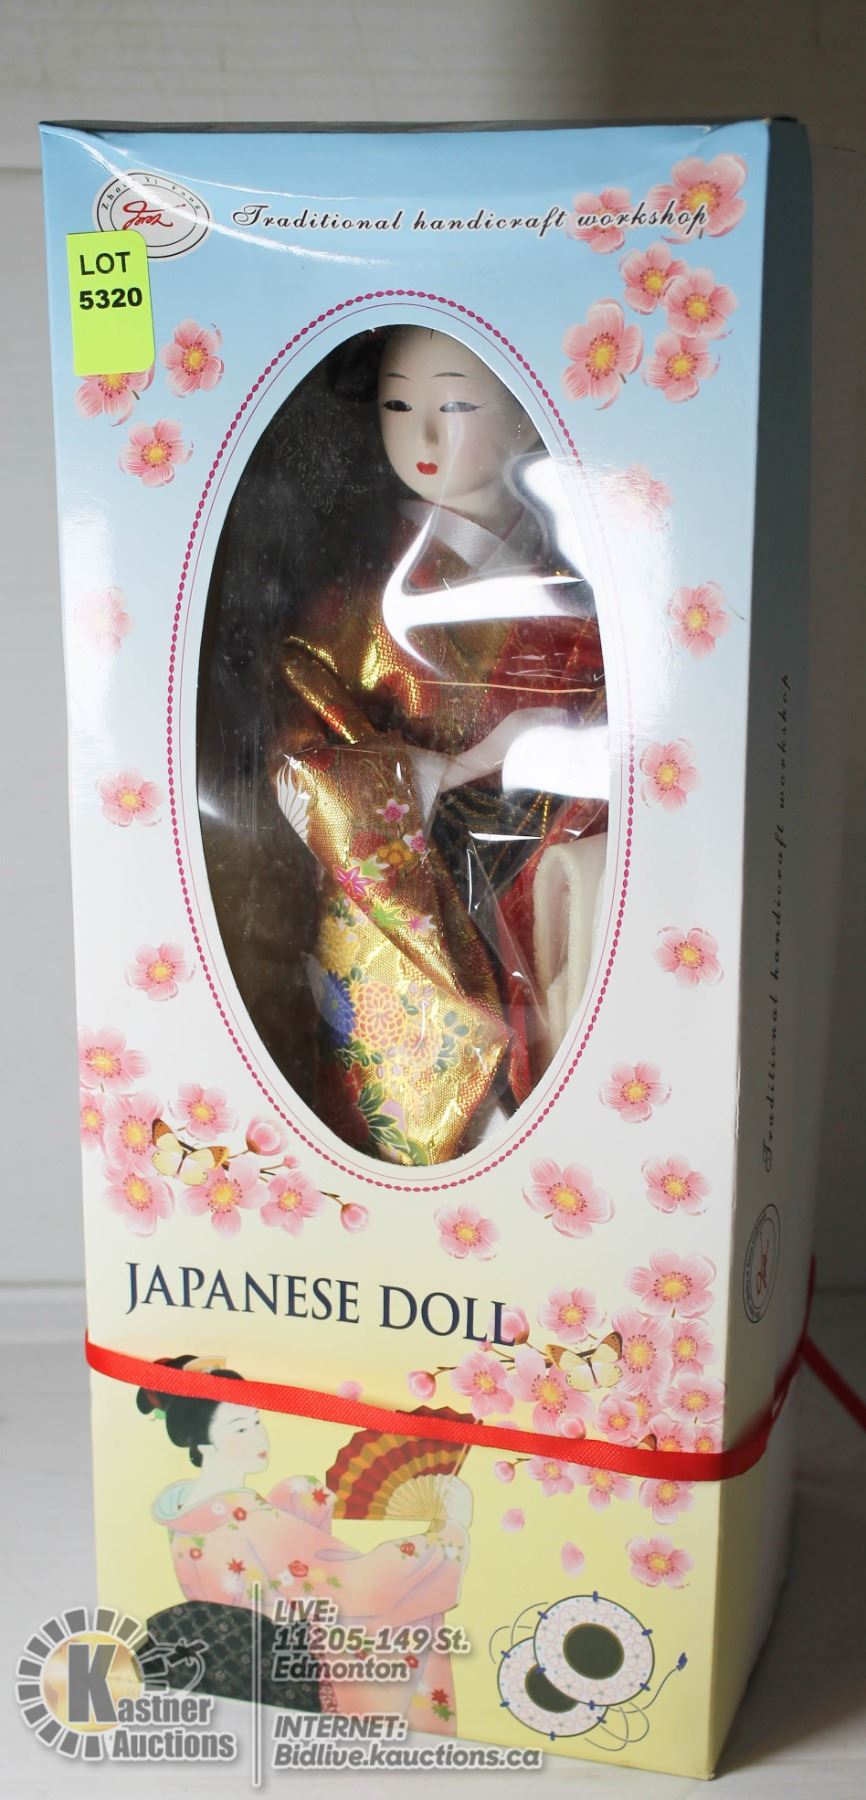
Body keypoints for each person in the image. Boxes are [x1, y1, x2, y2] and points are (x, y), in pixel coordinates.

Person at [266, 325, 608, 1165]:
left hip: (553, 904)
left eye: (453, 405)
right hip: (417, 919)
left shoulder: (585, 601)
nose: (420, 434)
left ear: (528, 415)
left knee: (577, 1106)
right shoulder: (351, 614)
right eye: (396, 405)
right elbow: (299, 767)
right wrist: (464, 767)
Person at [139, 1357, 472, 1732]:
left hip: (237, 1676)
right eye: (240, 1428)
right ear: (204, 1443)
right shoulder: (249, 1519)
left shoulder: (184, 1519)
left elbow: (278, 1578)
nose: (259, 1438)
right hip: (289, 1679)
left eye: (257, 1421)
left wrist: (298, 1502)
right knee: (401, 1611)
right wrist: (449, 1535)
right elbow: (356, 1585)